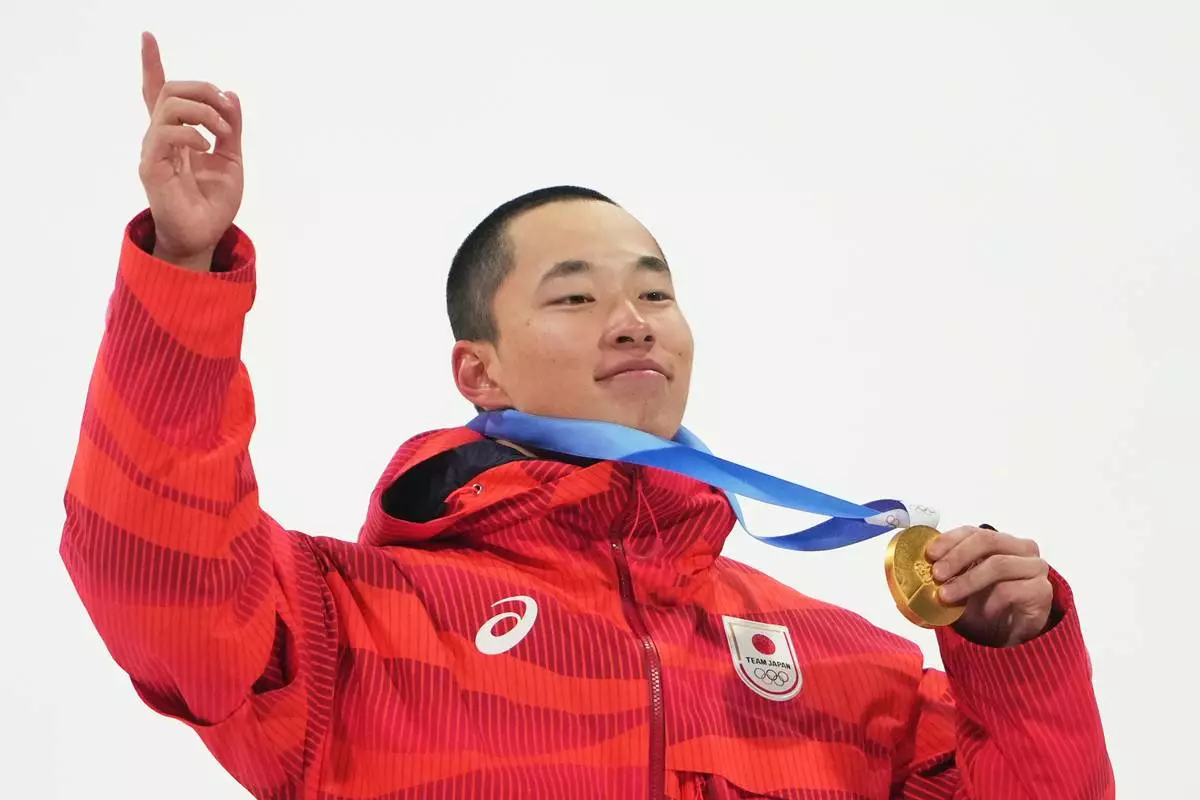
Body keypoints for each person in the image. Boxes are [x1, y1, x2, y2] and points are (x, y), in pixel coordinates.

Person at [60, 32, 1113, 799]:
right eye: (573, 297)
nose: (632, 322)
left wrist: (1019, 660)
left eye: (654, 293)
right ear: (479, 370)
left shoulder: (847, 670)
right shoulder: (356, 628)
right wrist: (181, 264)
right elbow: (158, 576)